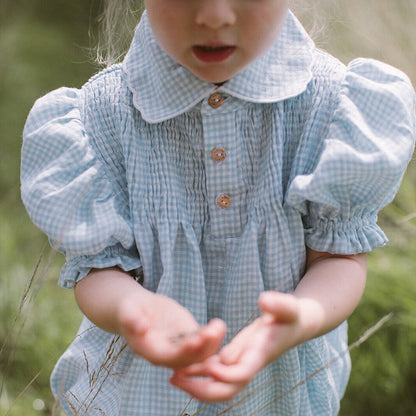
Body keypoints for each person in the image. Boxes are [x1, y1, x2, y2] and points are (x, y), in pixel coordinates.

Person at [21, 0, 416, 415]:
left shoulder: (329, 107)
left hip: (276, 387)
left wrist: (303, 314)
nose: (213, 16)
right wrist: (131, 309)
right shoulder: (104, 117)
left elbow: (338, 259)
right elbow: (100, 269)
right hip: (137, 390)